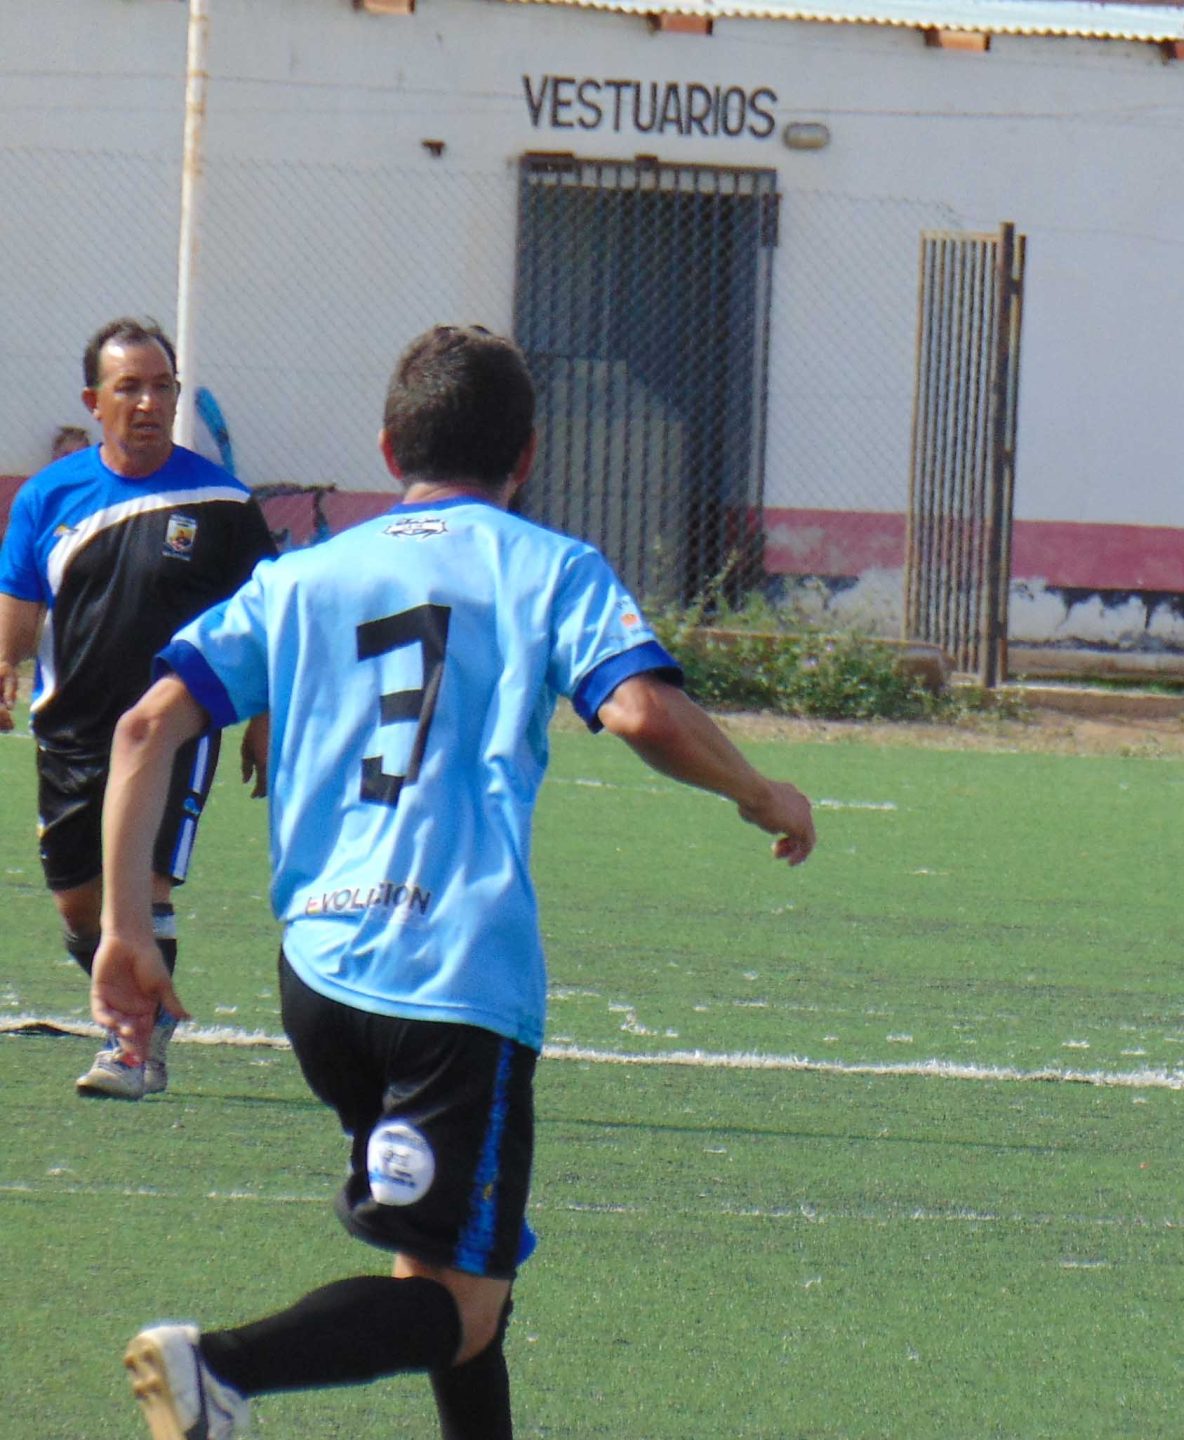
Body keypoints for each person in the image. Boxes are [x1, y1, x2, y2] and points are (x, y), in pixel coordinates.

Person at [88, 324, 818, 1438]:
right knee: (458, 1307)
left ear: (390, 446)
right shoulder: (546, 566)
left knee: (457, 1268)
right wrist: (760, 792)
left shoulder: (300, 578)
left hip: (322, 976)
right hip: (452, 981)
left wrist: (125, 930)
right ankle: (220, 1367)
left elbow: (145, 729)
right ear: (525, 456)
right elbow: (638, 709)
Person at [0, 318, 274, 1099]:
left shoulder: (220, 502)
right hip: (72, 734)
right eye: (130, 387)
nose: (149, 402)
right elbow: (21, 598)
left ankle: (133, 1049)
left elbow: (267, 619)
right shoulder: (49, 495)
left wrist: (263, 716)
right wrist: (3, 662)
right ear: (95, 400)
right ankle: (136, 988)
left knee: (142, 889)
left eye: (163, 387)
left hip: (172, 730)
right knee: (83, 906)